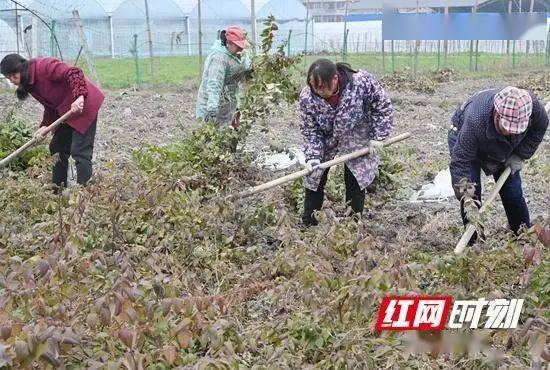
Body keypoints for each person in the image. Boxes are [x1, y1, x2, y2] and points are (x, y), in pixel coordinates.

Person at [299, 59, 395, 226]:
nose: (318, 91)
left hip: (356, 132)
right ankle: (309, 221)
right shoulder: (307, 97)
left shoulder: (360, 83)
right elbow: (310, 130)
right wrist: (313, 156)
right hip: (326, 135)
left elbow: (383, 106)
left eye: (322, 87)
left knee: (356, 175)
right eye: (314, 87)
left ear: (335, 79)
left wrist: (378, 137)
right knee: (314, 175)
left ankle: (353, 222)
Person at [448, 86, 548, 242]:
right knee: (471, 196)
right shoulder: (475, 120)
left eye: (516, 129)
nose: (511, 132)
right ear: (496, 113)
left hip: (505, 148)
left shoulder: (533, 108)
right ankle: (474, 241)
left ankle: (522, 236)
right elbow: (460, 161)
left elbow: (539, 128)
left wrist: (521, 154)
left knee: (512, 192)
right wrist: (464, 188)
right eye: (507, 127)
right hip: (466, 141)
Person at [1, 54, 104, 188]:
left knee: (80, 151)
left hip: (84, 104)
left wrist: (79, 96)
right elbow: (50, 107)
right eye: (9, 78)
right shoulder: (30, 84)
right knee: (57, 148)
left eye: (13, 76)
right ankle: (58, 188)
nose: (13, 81)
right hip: (67, 111)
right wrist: (45, 126)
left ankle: (84, 193)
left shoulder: (44, 67)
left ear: (21, 69)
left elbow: (74, 72)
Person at [195, 26, 252, 128]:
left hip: (230, 97)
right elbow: (214, 83)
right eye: (237, 46)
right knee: (210, 132)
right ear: (228, 43)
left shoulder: (242, 53)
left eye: (241, 46)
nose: (240, 48)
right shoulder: (219, 58)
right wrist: (212, 107)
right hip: (211, 99)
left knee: (227, 131)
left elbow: (247, 68)